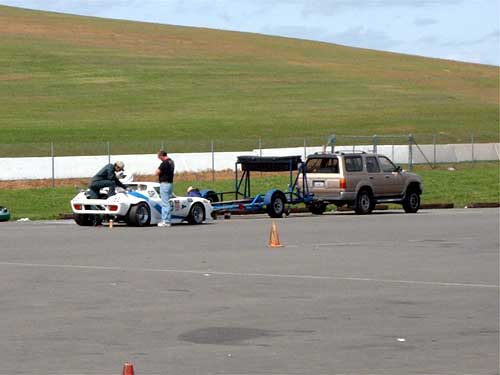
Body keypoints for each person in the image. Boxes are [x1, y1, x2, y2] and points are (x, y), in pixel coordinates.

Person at [155, 150, 175, 227]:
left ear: (161, 156)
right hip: (170, 183)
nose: (159, 159)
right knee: (168, 202)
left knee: (165, 203)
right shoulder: (171, 162)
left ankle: (166, 221)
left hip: (165, 184)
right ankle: (167, 219)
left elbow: (157, 172)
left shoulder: (164, 163)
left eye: (159, 157)